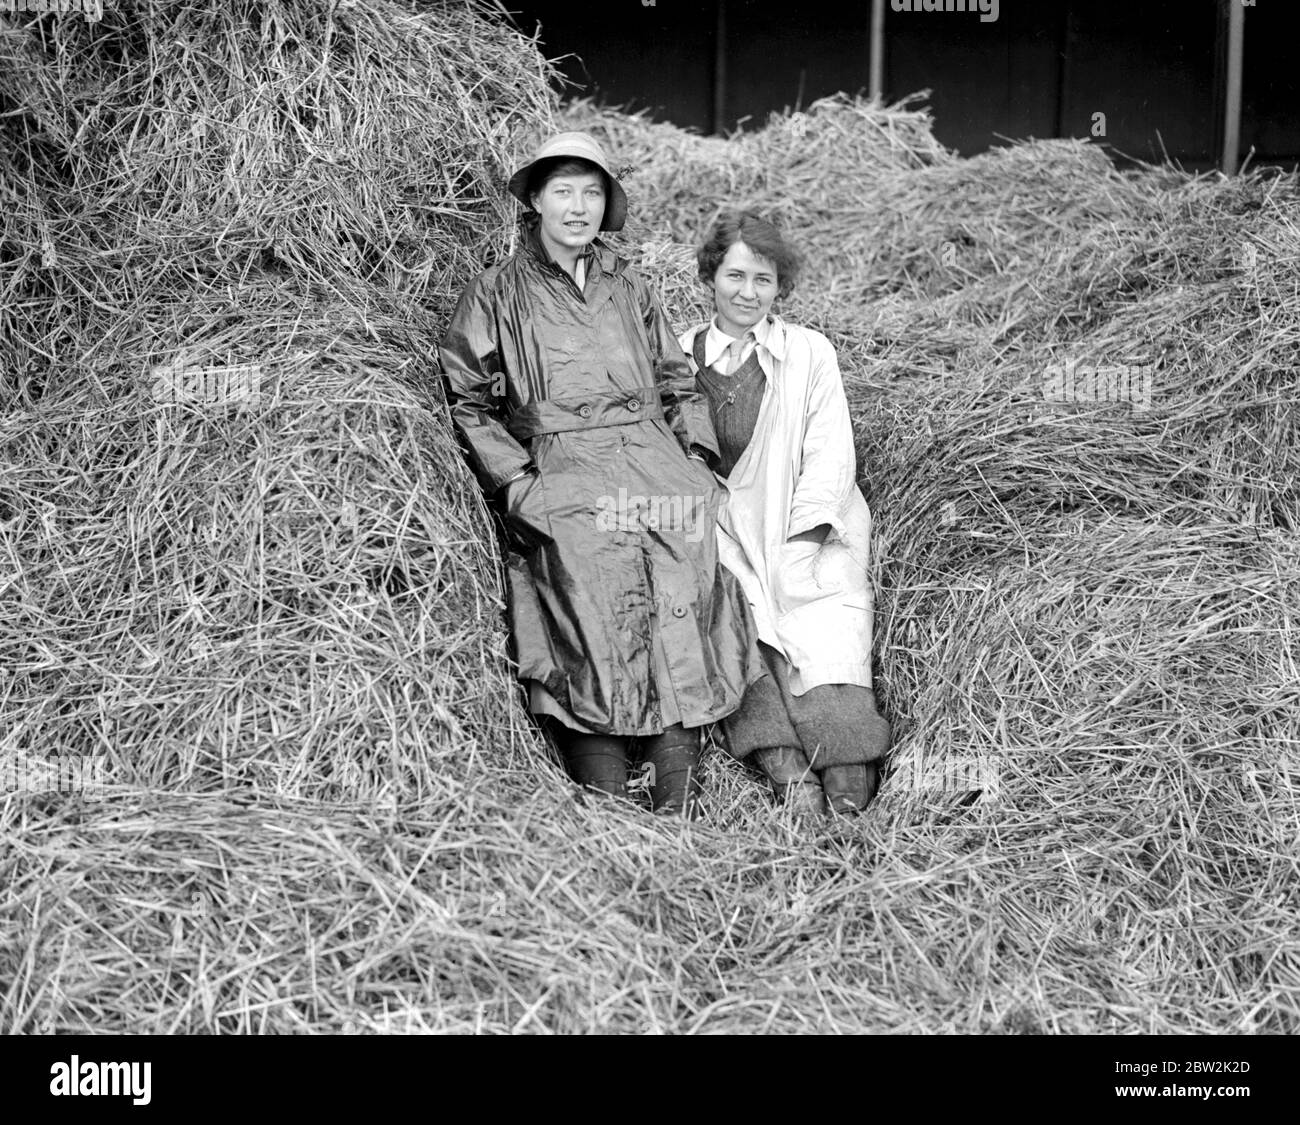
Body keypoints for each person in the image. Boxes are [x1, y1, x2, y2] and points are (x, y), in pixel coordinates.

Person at [439, 133, 762, 817]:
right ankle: (606, 786)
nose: (578, 207)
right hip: (562, 465)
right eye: (564, 191)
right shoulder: (497, 291)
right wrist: (519, 482)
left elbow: (678, 381)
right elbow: (467, 397)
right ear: (534, 200)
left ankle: (677, 781)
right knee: (587, 588)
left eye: (591, 192)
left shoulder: (629, 285)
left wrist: (697, 463)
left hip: (652, 459)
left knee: (678, 582)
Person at [679, 211, 891, 816]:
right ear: (709, 276)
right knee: (735, 622)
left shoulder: (808, 353)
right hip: (719, 526)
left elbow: (830, 452)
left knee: (822, 624)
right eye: (736, 275)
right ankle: (787, 768)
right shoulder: (676, 353)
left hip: (805, 521)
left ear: (780, 288)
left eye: (764, 281)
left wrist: (804, 537)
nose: (748, 293)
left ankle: (846, 769)